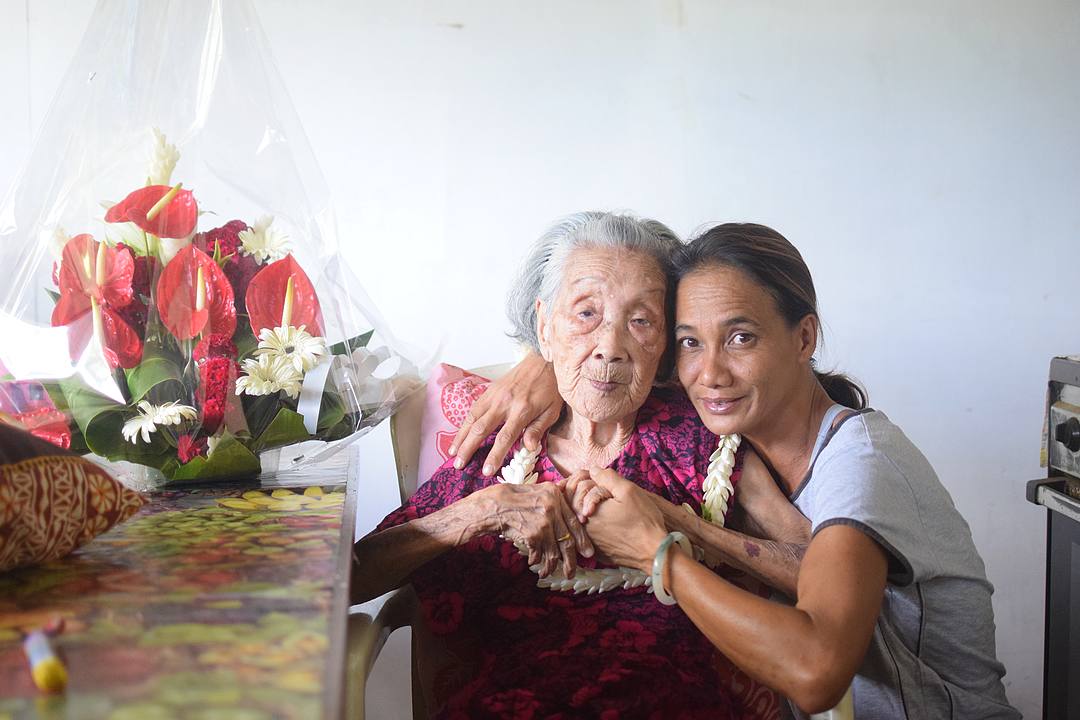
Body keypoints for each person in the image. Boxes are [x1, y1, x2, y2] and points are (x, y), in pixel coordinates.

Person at [453, 223, 1019, 719]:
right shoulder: (721, 436)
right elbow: (614, 329)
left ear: (804, 337)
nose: (710, 372)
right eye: (689, 342)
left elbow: (815, 672)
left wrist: (659, 547)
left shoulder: (860, 463)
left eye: (741, 338)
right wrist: (542, 361)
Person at [352, 212, 793, 718]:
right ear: (544, 326)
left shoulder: (699, 440)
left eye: (641, 321)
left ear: (666, 342)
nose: (610, 347)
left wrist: (676, 526)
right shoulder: (497, 451)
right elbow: (356, 577)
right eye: (586, 314)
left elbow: (810, 565)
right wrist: (481, 512)